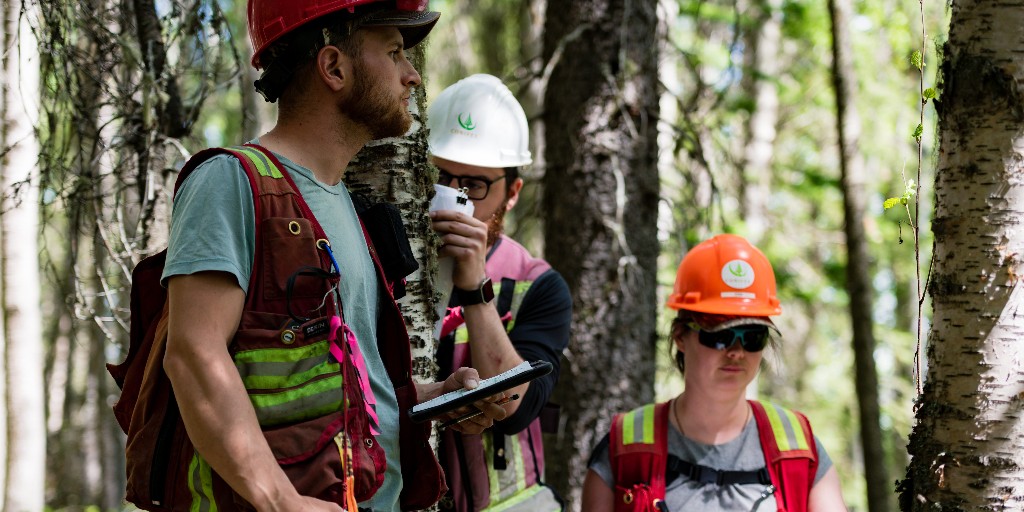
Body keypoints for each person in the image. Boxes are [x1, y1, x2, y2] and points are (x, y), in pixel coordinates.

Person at [159, 2, 507, 511]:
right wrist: (282, 501)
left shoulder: (343, 204)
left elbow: (341, 385)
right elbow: (192, 355)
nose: (411, 76)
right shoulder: (230, 182)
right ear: (334, 67)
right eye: (393, 53)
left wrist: (435, 398)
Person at [581, 234, 847, 512]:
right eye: (720, 335)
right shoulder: (624, 449)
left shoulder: (799, 448)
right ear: (680, 336)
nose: (736, 351)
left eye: (753, 336)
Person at [426, 74, 573, 511]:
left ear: (512, 193)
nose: (455, 195)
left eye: (474, 184)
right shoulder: (384, 264)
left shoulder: (538, 285)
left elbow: (516, 410)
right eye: (442, 177)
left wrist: (473, 285)